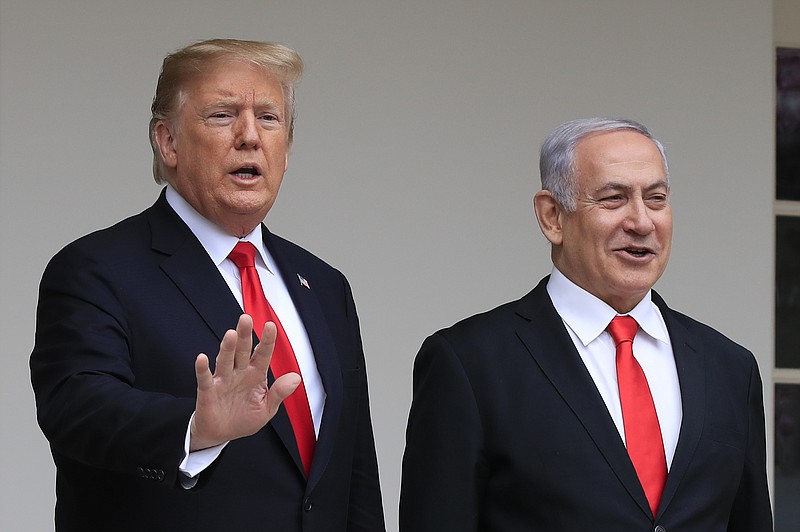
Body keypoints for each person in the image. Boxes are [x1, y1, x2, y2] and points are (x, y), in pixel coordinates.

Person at [30, 39, 385, 532]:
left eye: (269, 117)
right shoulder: (95, 269)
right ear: (168, 142)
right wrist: (195, 428)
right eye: (222, 115)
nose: (249, 136)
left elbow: (355, 472)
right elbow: (77, 409)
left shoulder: (325, 286)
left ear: (286, 149)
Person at [400, 118, 773, 531]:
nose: (642, 222)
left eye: (656, 198)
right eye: (614, 199)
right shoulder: (470, 364)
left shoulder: (730, 368)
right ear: (552, 217)